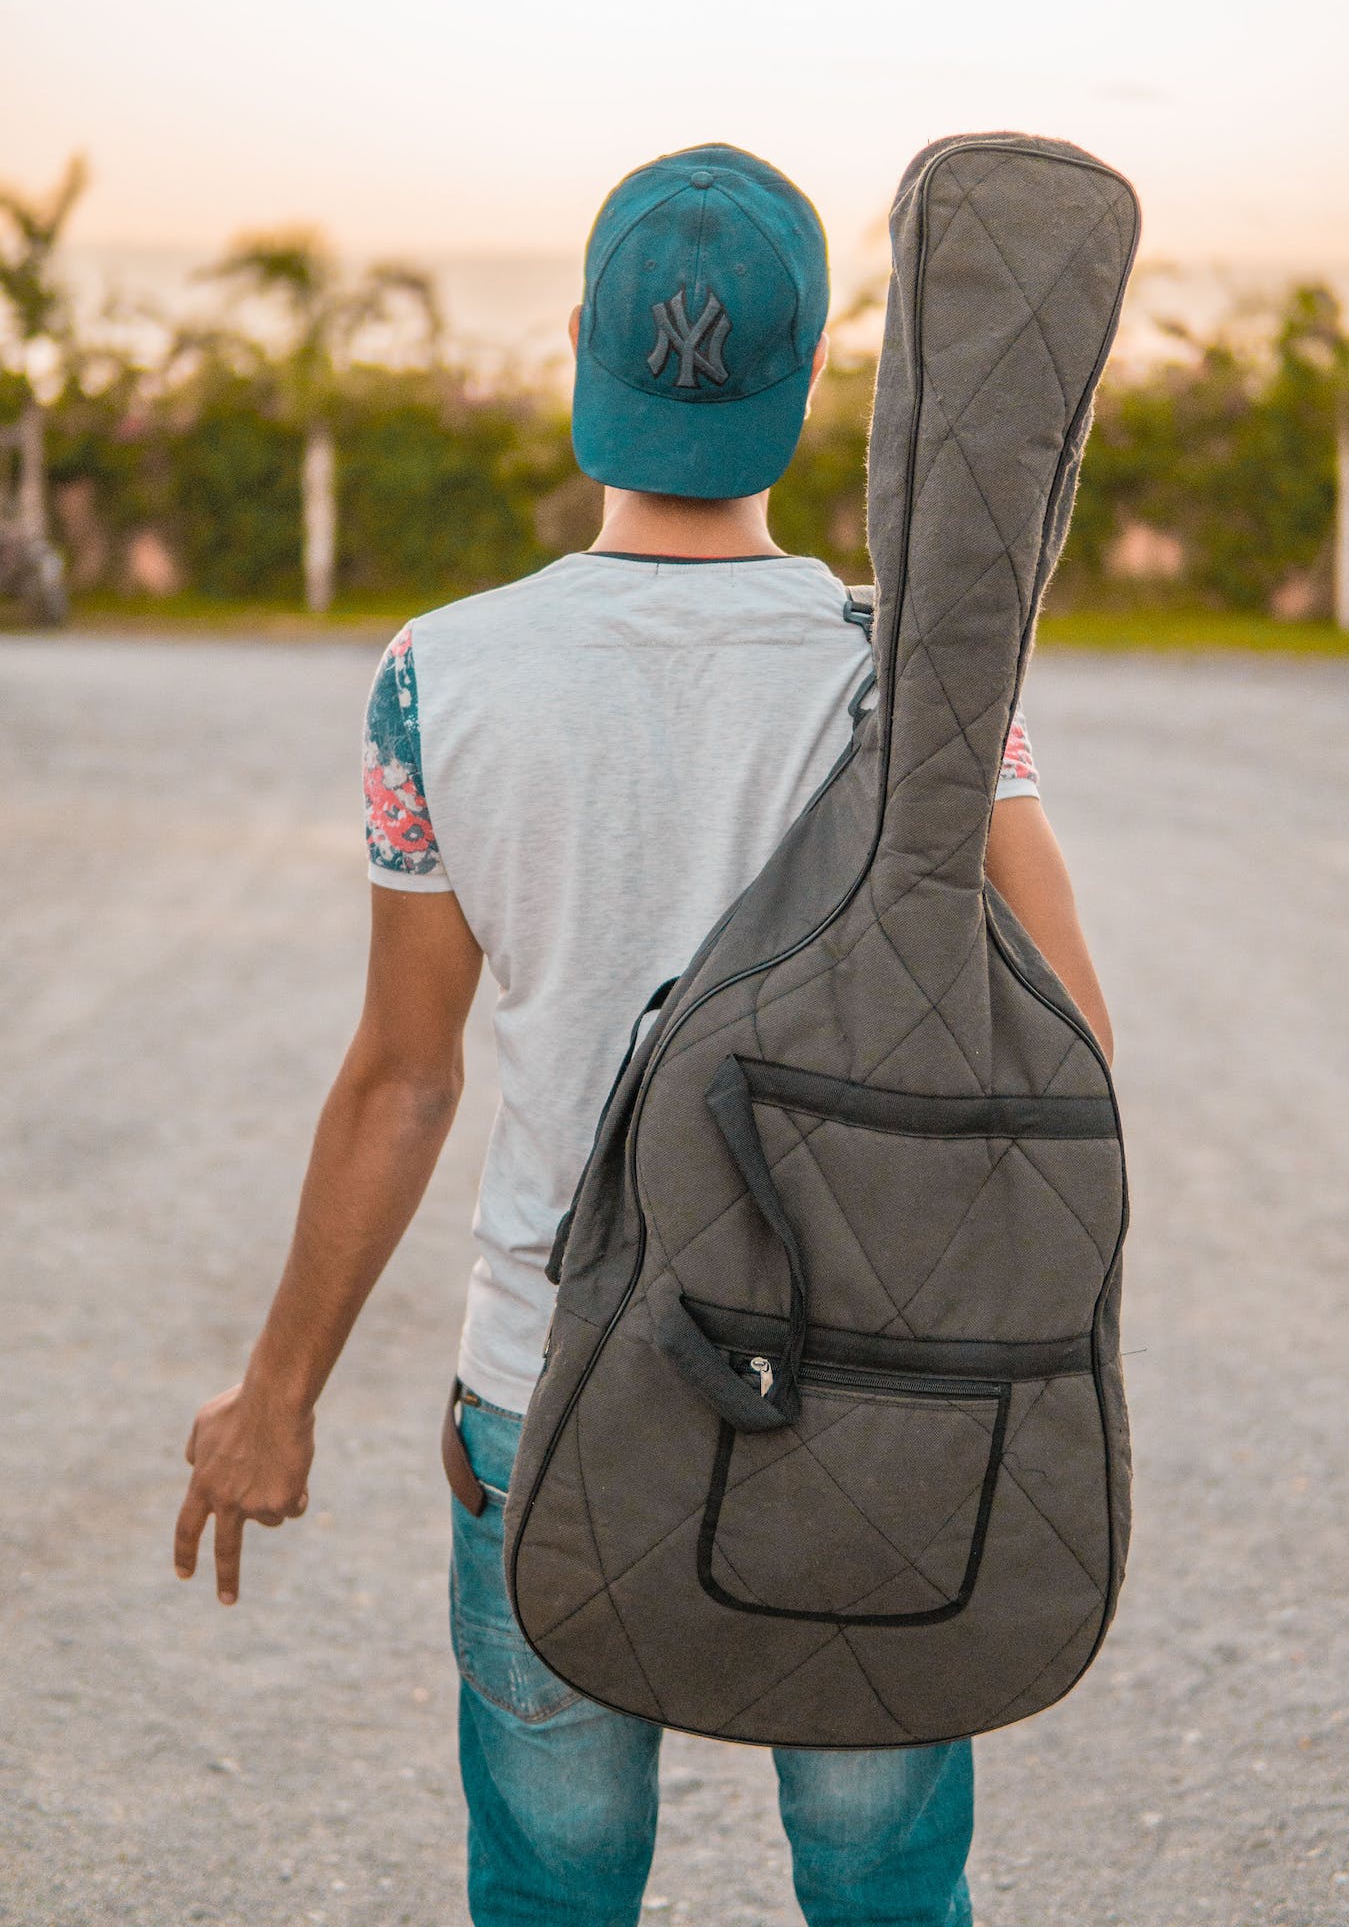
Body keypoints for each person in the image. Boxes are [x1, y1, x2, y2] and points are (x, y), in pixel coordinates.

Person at [174, 143, 1114, 1927]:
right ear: (812, 385)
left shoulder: (438, 674)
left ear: (584, 353)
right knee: (882, 1891)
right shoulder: (906, 673)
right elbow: (1073, 1041)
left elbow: (405, 1076)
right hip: (869, 1401)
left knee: (551, 1888)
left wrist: (276, 1397)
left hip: (551, 1391)